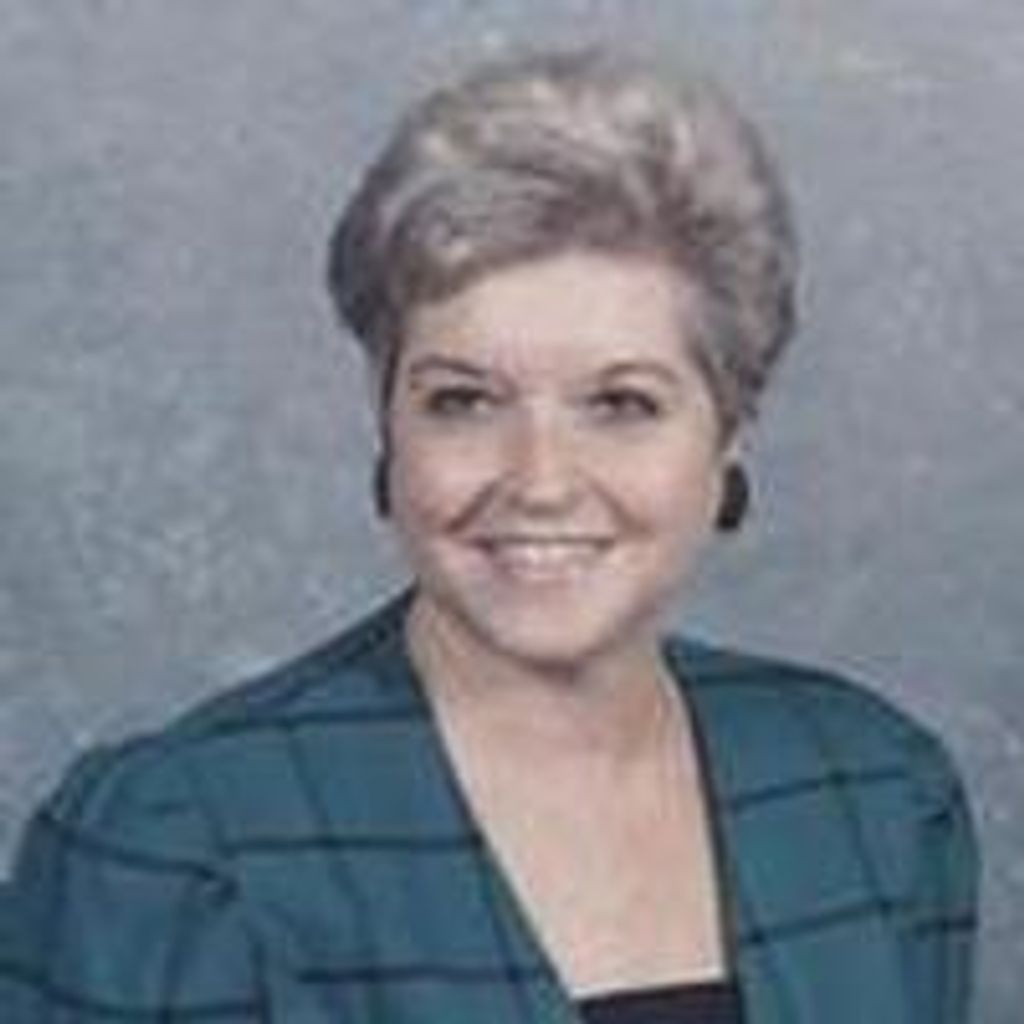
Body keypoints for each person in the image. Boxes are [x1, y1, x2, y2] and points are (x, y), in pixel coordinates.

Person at [1, 46, 977, 1022]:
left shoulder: (872, 791)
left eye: (621, 403)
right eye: (464, 401)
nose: (540, 481)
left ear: (727, 437)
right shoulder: (179, 845)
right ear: (388, 421)